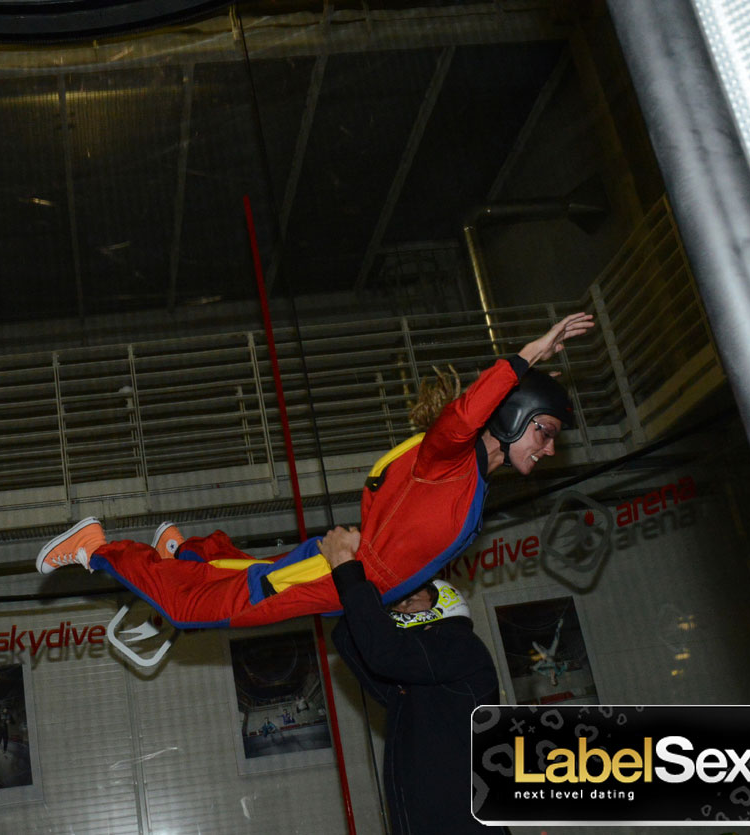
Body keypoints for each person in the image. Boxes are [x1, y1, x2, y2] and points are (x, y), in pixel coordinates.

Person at [36, 313, 593, 629]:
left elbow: (412, 550)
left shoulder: (474, 485)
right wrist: (532, 351)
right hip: (345, 574)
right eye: (544, 432)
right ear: (515, 418)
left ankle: (185, 551)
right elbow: (465, 413)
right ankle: (96, 549)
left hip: (351, 577)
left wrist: (401, 594)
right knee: (190, 609)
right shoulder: (451, 457)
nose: (547, 450)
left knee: (249, 574)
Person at [322, 526, 506, 834]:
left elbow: (386, 653)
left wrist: (345, 562)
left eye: (411, 600)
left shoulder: (459, 646)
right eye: (399, 604)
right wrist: (349, 577)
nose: (404, 604)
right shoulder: (413, 683)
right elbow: (351, 640)